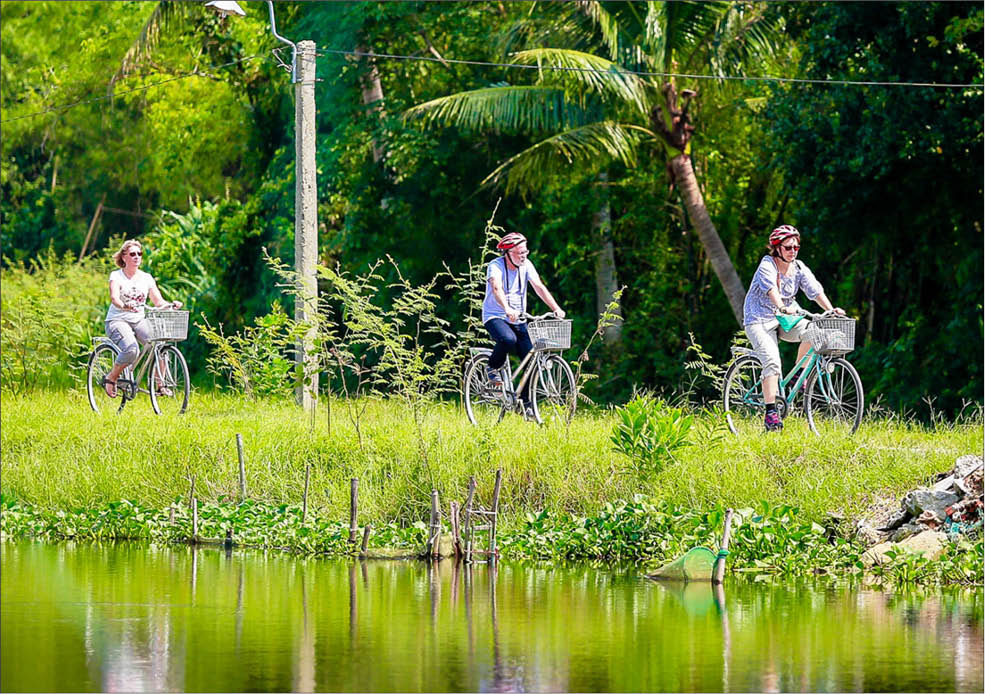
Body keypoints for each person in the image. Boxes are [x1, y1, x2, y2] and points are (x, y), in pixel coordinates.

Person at [742, 225, 845, 431]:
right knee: (772, 362)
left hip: (786, 319)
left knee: (815, 331)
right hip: (759, 320)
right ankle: (771, 413)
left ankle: (798, 378)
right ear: (777, 248)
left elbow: (815, 291)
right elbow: (771, 289)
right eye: (788, 247)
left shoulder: (798, 267)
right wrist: (780, 306)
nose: (793, 251)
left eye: (796, 247)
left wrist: (831, 309)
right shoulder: (767, 265)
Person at [482, 232, 565, 418]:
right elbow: (496, 288)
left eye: (525, 252)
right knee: (507, 339)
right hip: (496, 316)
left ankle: (526, 404)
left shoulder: (526, 265)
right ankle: (492, 368)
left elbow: (539, 287)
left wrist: (556, 309)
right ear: (508, 253)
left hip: (519, 318)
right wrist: (507, 308)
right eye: (519, 253)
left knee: (530, 358)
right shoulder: (495, 266)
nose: (523, 256)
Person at [101, 239, 182, 398]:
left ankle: (160, 385)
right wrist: (124, 306)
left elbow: (158, 301)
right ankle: (112, 377)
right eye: (132, 254)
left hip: (138, 320)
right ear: (124, 257)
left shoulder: (146, 278)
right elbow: (114, 298)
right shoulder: (116, 276)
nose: (136, 257)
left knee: (160, 344)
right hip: (118, 320)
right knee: (132, 350)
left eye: (139, 254)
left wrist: (171, 305)